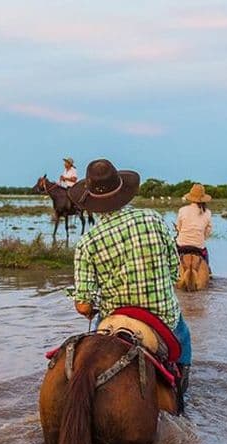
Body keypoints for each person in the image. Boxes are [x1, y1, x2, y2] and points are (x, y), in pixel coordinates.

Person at [68, 159, 193, 408]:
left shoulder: (87, 242)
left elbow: (83, 306)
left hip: (114, 319)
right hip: (162, 317)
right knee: (184, 341)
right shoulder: (154, 219)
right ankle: (180, 397)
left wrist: (91, 304)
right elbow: (174, 271)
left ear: (90, 201)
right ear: (123, 191)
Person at [176, 183, 213, 266]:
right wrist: (201, 238)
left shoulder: (182, 210)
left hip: (181, 245)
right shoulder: (208, 212)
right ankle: (208, 270)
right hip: (199, 246)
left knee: (172, 258)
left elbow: (179, 228)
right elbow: (208, 232)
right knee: (205, 255)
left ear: (190, 197)